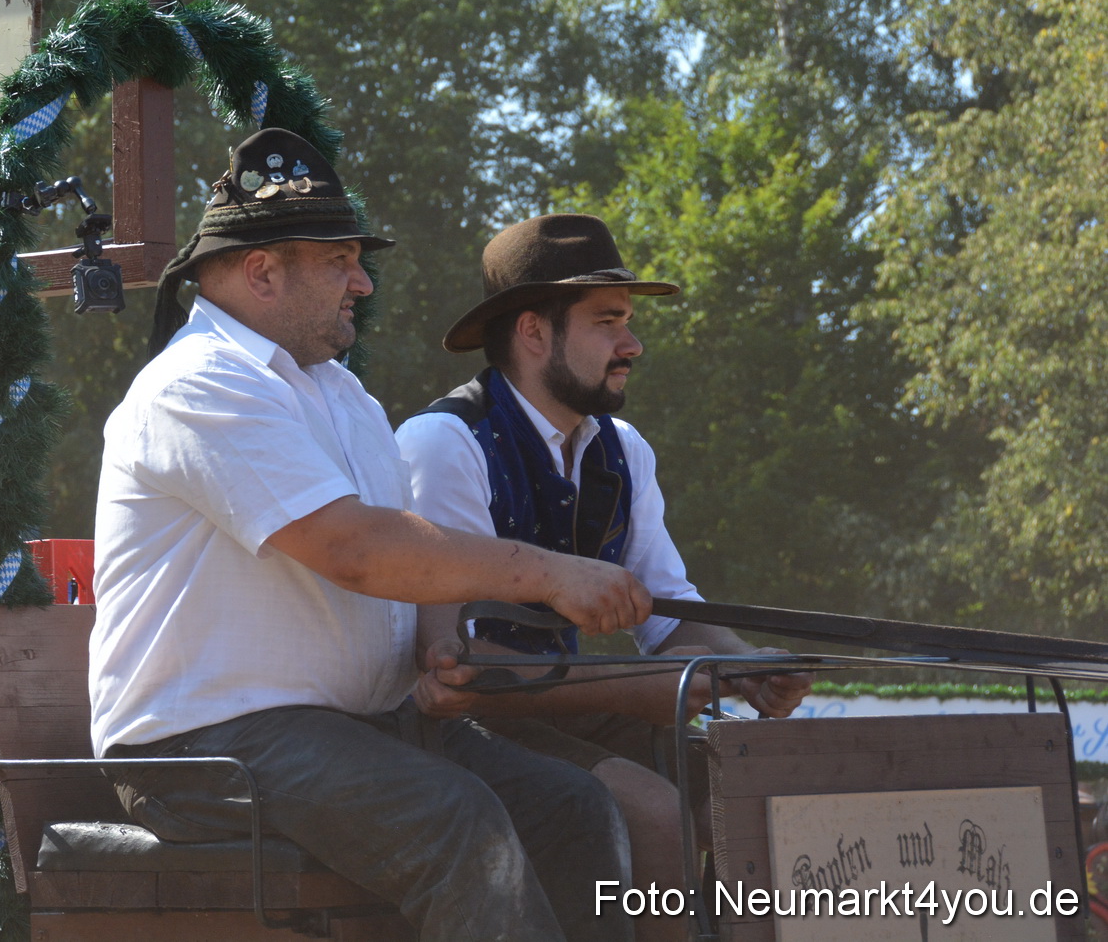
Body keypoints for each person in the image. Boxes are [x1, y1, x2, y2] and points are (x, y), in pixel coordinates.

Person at [91, 131, 649, 942]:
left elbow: (406, 554)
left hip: (352, 727)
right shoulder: (197, 383)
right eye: (340, 261)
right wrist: (551, 573)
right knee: (458, 820)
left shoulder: (340, 392)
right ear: (262, 272)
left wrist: (436, 643)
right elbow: (355, 550)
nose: (363, 282)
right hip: (201, 747)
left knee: (575, 805)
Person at [395, 213, 813, 940]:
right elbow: (454, 662)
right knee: (655, 815)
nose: (632, 344)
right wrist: (659, 686)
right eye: (607, 321)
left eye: (628, 321)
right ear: (534, 332)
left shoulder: (624, 449)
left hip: (567, 709)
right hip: (463, 726)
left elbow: (670, 614)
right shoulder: (445, 443)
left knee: (758, 789)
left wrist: (743, 665)